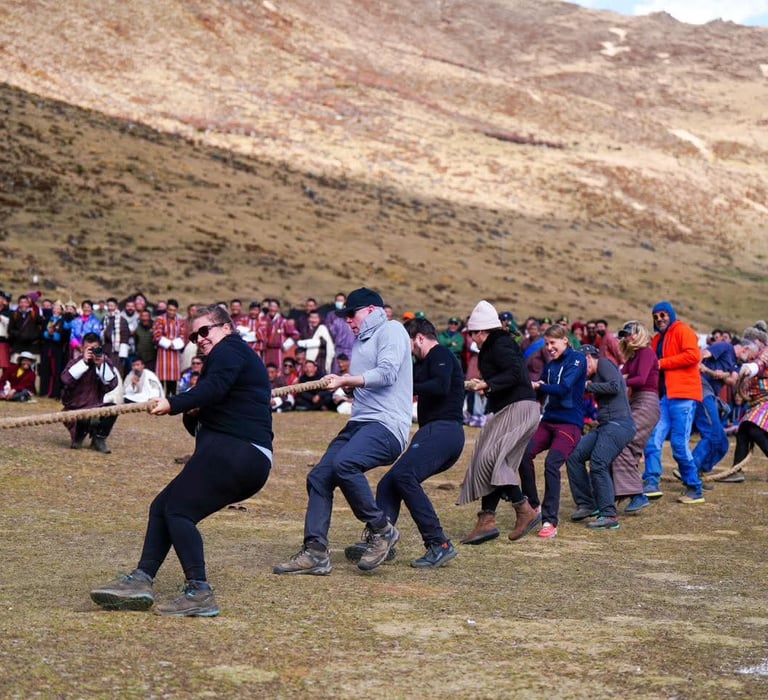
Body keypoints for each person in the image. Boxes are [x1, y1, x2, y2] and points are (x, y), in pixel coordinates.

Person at [90, 305, 273, 617]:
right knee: (162, 506)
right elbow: (204, 416)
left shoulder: (230, 350)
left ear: (226, 328)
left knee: (178, 509)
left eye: (205, 331)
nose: (199, 339)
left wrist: (174, 402)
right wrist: (191, 411)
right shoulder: (224, 362)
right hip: (237, 454)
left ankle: (199, 590)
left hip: (240, 452)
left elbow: (212, 390)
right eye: (194, 334)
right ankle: (142, 578)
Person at [273, 287, 412, 575]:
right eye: (345, 315)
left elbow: (387, 374)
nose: (348, 320)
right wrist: (345, 383)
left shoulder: (393, 330)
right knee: (320, 476)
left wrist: (349, 378)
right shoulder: (361, 342)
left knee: (345, 464)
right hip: (360, 423)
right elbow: (366, 383)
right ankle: (315, 552)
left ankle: (382, 529)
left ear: (372, 310)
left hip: (387, 425)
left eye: (352, 314)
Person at [345, 318, 465, 568]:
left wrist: (407, 386)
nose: (408, 351)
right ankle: (380, 540)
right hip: (431, 432)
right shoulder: (421, 364)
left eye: (409, 345)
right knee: (389, 482)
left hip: (444, 431)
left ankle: (438, 543)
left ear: (419, 338)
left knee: (404, 477)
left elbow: (440, 386)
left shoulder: (441, 354)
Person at [458, 300, 540, 545]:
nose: (472, 338)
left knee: (492, 458)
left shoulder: (500, 343)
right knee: (488, 456)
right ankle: (487, 521)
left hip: (519, 408)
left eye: (473, 333)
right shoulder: (495, 346)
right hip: (509, 407)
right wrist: (489, 389)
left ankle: (524, 509)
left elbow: (515, 373)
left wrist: (487, 384)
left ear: (483, 331)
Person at [518, 324, 587, 539]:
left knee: (551, 464)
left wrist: (539, 387)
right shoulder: (550, 366)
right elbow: (540, 391)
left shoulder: (577, 359)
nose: (549, 348)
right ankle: (534, 506)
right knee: (523, 454)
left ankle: (550, 521)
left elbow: (564, 388)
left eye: (553, 343)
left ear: (565, 340)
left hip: (569, 425)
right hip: (549, 421)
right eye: (546, 344)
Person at [566, 345, 636, 530]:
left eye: (582, 364)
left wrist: (589, 386)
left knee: (598, 462)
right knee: (574, 455)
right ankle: (587, 504)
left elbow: (615, 386)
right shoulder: (592, 375)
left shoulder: (604, 363)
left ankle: (608, 514)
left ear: (589, 357)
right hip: (605, 426)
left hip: (619, 424)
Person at [641, 301, 704, 504]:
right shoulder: (657, 339)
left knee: (678, 444)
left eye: (663, 315)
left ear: (671, 315)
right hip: (665, 397)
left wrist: (661, 363)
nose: (659, 319)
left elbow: (694, 355)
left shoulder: (682, 330)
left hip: (684, 396)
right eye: (656, 316)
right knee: (653, 439)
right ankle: (650, 481)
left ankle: (694, 487)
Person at [610, 321, 660, 514]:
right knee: (626, 447)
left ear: (638, 334)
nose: (626, 338)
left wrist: (620, 380)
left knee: (624, 443)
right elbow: (619, 374)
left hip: (646, 402)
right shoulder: (634, 356)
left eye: (629, 334)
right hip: (637, 402)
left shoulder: (646, 353)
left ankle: (636, 494)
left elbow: (640, 379)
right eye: (623, 335)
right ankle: (621, 493)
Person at [60, 333, 119, 453]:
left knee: (113, 409)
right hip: (76, 409)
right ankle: (78, 437)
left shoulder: (104, 362)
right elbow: (65, 379)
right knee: (84, 414)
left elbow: (112, 383)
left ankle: (99, 439)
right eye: (89, 349)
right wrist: (84, 362)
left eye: (95, 349)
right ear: (82, 349)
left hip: (96, 406)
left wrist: (101, 365)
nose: (92, 352)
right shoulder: (75, 362)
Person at [153, 299, 185, 396]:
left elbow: (183, 335)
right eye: (170, 310)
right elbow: (156, 335)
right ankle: (162, 397)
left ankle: (172, 397)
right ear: (166, 309)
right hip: (163, 352)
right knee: (162, 377)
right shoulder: (160, 319)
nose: (172, 312)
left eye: (174, 310)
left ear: (176, 310)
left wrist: (174, 344)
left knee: (173, 378)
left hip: (175, 353)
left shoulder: (180, 321)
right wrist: (168, 343)